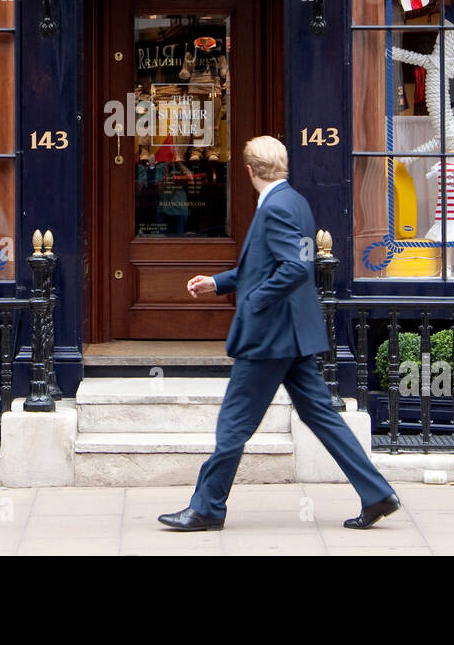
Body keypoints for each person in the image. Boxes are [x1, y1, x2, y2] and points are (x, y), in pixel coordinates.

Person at [158, 135, 400, 532]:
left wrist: (253, 301)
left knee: (234, 423)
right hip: (295, 334)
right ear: (282, 165)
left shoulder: (274, 209)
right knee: (321, 416)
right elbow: (269, 265)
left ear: (250, 171)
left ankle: (206, 508)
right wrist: (218, 282)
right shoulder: (295, 202)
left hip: (269, 337)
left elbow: (292, 269)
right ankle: (376, 493)